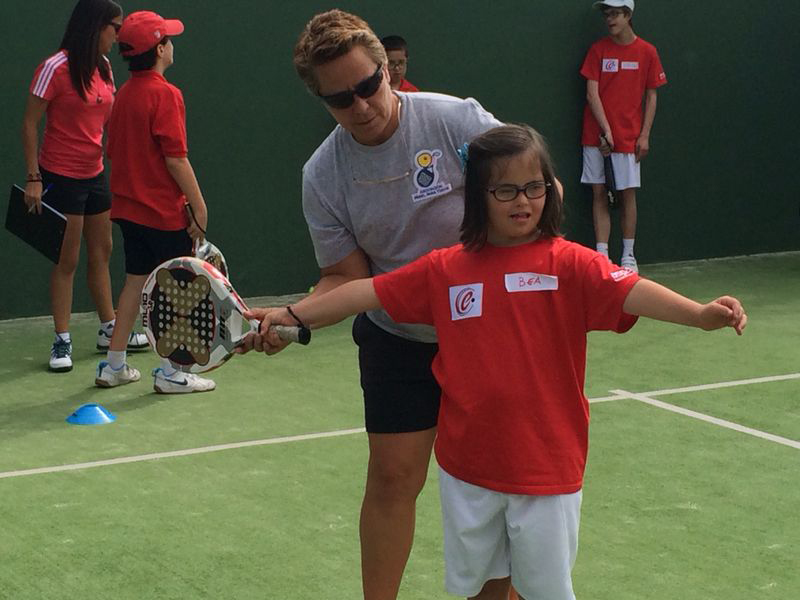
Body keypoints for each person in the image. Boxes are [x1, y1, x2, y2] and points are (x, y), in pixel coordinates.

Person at [257, 124, 747, 600]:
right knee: (482, 590)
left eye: (534, 188)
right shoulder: (445, 269)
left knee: (546, 591)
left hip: (546, 470)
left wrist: (701, 315)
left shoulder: (571, 263)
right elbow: (365, 291)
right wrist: (293, 315)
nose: (523, 201)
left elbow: (632, 291)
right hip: (468, 472)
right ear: (478, 198)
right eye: (506, 190)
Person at [241, 9, 546, 599]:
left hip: (490, 337)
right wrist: (290, 319)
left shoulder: (457, 120)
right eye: (340, 99)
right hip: (397, 340)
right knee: (391, 478)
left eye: (367, 85)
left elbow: (538, 190)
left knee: (494, 488)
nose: (360, 105)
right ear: (322, 102)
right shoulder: (323, 174)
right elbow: (344, 279)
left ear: (387, 69)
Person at [21, 0, 149, 372]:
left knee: (103, 250)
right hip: (59, 175)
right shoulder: (53, 68)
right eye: (116, 27)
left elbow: (105, 123)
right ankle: (62, 340)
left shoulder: (105, 68)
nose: (119, 36)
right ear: (96, 27)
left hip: (95, 174)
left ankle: (109, 326)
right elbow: (30, 124)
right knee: (67, 258)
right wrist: (34, 177)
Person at [94, 10, 215, 394]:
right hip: (163, 214)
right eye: (170, 40)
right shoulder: (166, 95)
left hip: (129, 212)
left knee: (135, 284)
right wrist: (199, 206)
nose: (174, 45)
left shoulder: (123, 96)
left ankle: (114, 365)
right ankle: (172, 372)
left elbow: (114, 150)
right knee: (174, 290)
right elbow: (175, 158)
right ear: (160, 49)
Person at [580, 0, 667, 273]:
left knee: (627, 195)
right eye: (607, 14)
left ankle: (628, 256)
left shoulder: (647, 52)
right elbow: (591, 93)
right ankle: (602, 256)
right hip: (595, 138)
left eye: (615, 14)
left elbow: (652, 96)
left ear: (628, 15)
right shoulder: (598, 50)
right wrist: (605, 129)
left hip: (630, 138)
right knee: (599, 193)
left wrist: (645, 135)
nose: (610, 19)